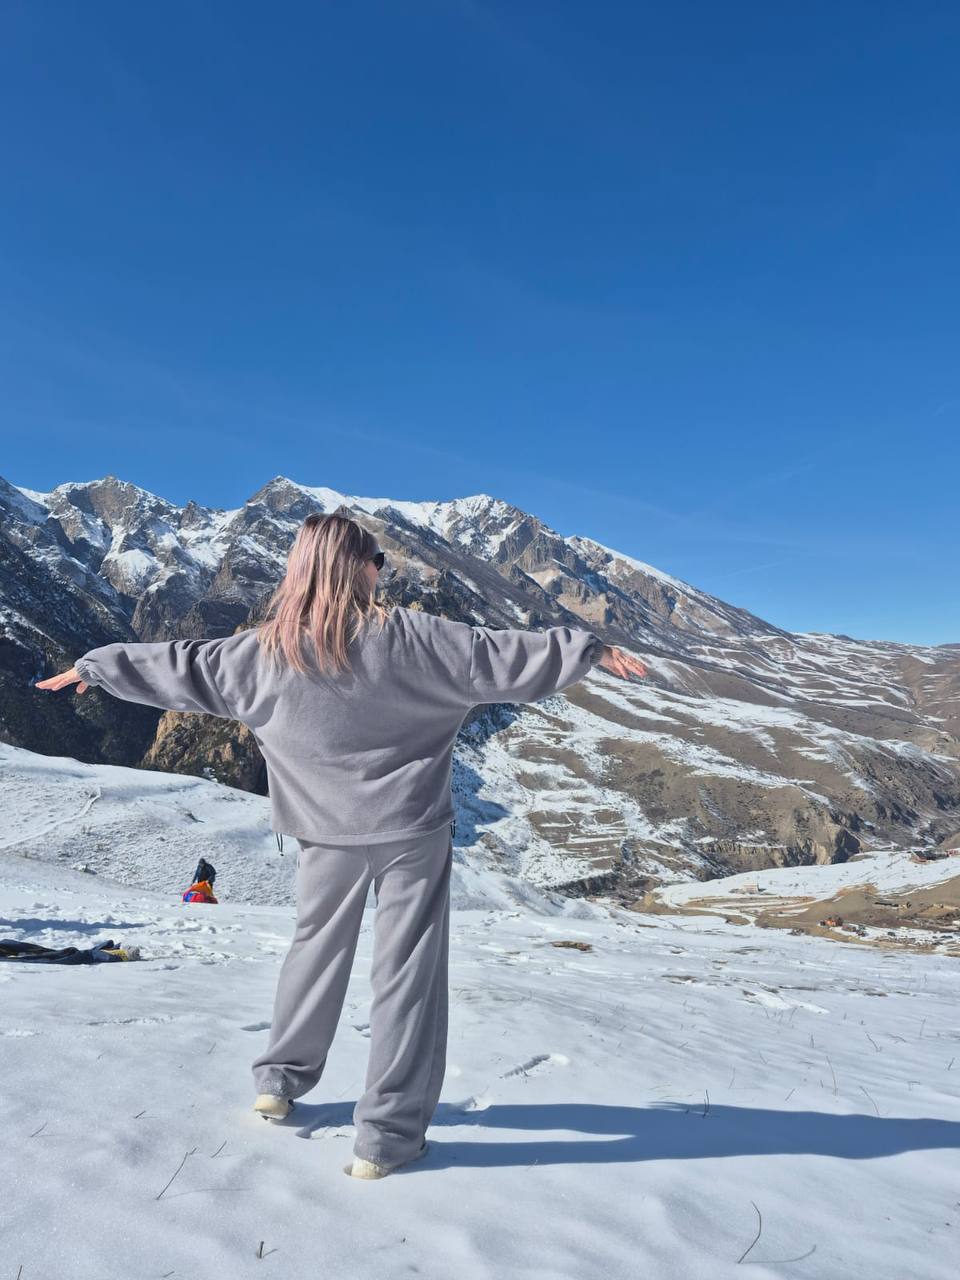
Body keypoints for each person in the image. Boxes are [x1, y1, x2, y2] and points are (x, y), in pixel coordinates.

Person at [36, 513, 647, 1178]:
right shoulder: (416, 638)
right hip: (411, 831)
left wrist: (95, 667)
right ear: (357, 566)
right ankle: (385, 1139)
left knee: (314, 951)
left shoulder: (262, 653)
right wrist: (583, 649)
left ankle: (278, 1084)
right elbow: (503, 657)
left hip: (323, 833)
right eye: (377, 557)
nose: (384, 568)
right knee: (407, 977)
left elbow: (178, 666)